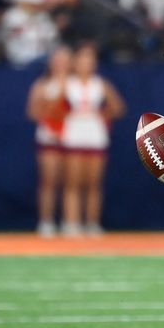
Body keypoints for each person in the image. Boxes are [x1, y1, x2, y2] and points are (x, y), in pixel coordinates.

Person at [60, 42, 125, 237]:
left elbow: (118, 108)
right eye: (81, 58)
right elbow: (51, 110)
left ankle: (92, 222)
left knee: (93, 183)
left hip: (95, 136)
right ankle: (71, 222)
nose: (85, 63)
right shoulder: (67, 84)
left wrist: (101, 114)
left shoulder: (100, 84)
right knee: (72, 182)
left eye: (89, 58)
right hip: (74, 135)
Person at [26, 45, 72, 237]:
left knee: (72, 182)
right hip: (50, 136)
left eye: (65, 60)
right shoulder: (42, 84)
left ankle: (72, 221)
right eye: (57, 60)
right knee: (49, 181)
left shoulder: (77, 84)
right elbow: (32, 112)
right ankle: (46, 222)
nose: (61, 63)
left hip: (74, 138)